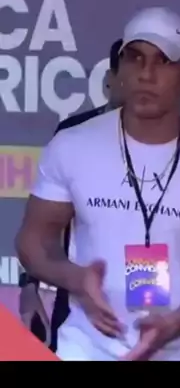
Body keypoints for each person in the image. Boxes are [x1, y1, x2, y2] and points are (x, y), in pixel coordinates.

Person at [15, 8, 180, 361]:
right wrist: (74, 278)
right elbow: (34, 239)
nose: (146, 74)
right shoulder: (72, 146)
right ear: (120, 68)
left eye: (163, 61)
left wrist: (178, 322)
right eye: (135, 58)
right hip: (85, 349)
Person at [18, 39, 124, 350]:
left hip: (144, 296)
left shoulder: (174, 142)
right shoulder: (73, 136)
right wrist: (30, 286)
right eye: (130, 73)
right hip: (76, 293)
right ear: (110, 80)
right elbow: (43, 225)